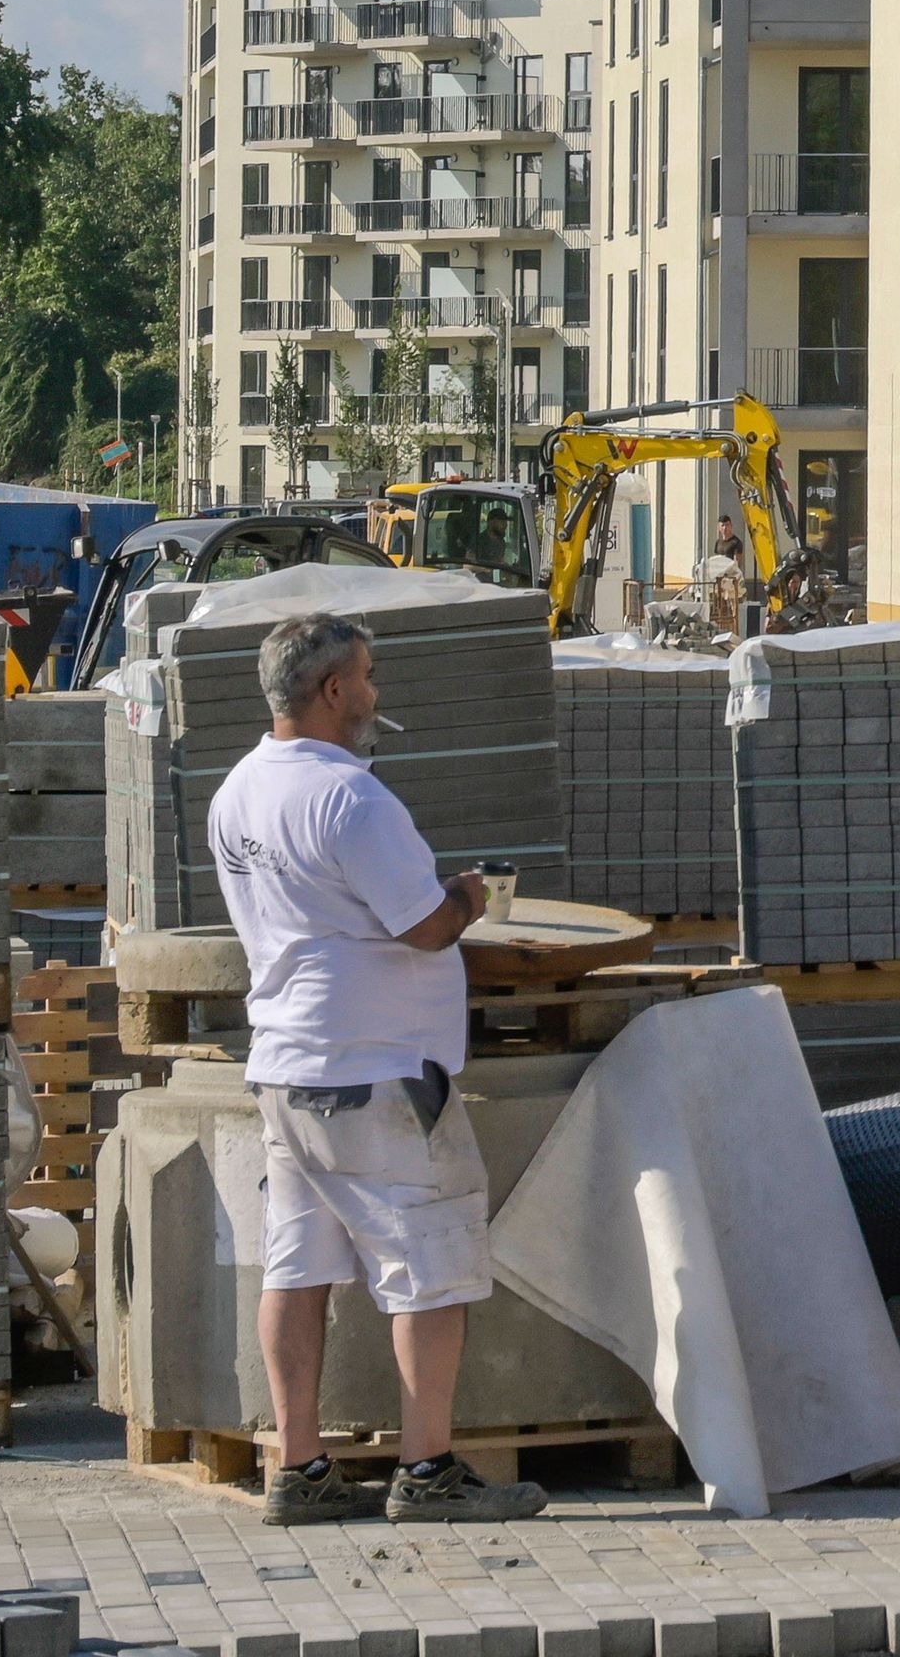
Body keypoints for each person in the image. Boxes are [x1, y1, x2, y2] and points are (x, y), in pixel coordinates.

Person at [205, 612, 543, 1529]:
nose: (376, 693)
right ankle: (426, 1467)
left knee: (297, 1264)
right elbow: (422, 925)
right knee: (429, 1259)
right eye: (368, 676)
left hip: (285, 1064)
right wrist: (470, 896)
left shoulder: (236, 792)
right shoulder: (352, 800)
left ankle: (300, 1465)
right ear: (333, 692)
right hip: (377, 1069)